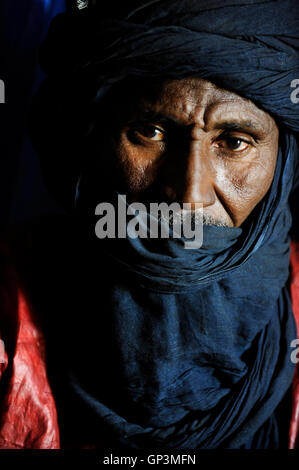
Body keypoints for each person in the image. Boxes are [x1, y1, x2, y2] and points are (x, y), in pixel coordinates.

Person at [0, 0, 299, 450]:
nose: (189, 193)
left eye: (234, 142)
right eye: (150, 132)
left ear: (283, 165)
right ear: (91, 142)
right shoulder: (7, 305)